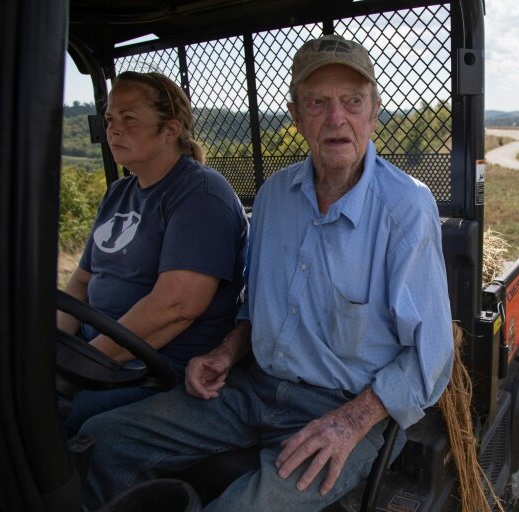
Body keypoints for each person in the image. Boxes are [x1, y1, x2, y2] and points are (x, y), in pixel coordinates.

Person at [81, 35, 454, 511]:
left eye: (352, 102)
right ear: (296, 116)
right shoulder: (275, 196)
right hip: (252, 388)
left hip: (345, 408)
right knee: (103, 439)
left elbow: (431, 357)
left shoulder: (406, 207)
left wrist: (349, 423)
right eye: (318, 103)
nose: (337, 119)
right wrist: (223, 353)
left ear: (374, 112)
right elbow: (255, 310)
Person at [57, 71, 249, 435]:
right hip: (97, 350)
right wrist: (54, 347)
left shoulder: (201, 195)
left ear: (170, 129)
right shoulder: (119, 192)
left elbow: (176, 308)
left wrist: (81, 365)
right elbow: (81, 281)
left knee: (50, 413)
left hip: (153, 365)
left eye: (129, 119)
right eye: (111, 119)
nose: (114, 130)